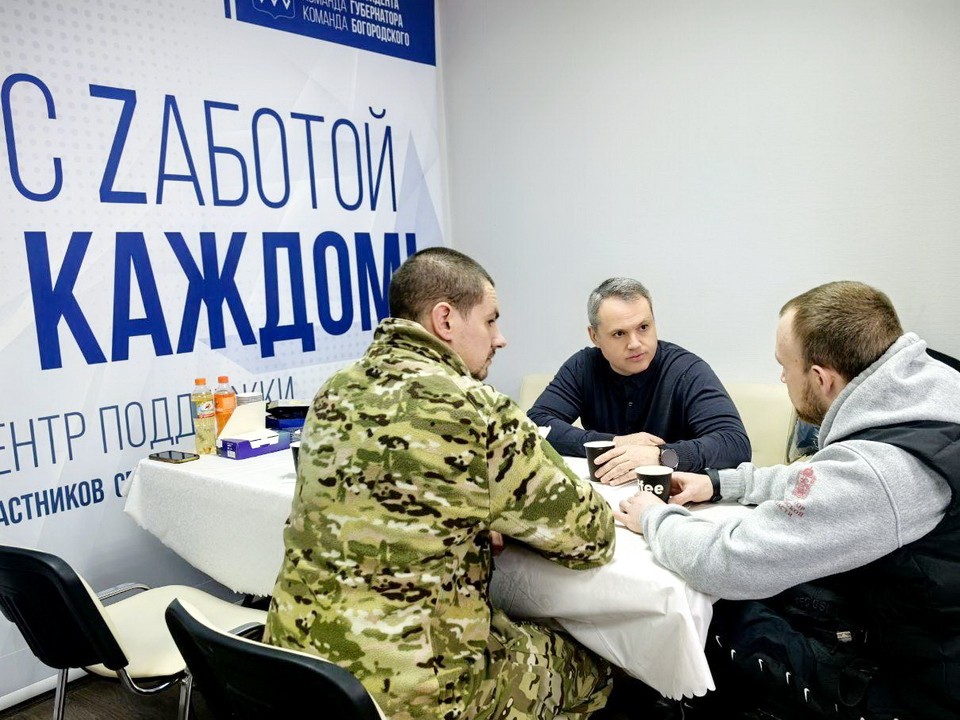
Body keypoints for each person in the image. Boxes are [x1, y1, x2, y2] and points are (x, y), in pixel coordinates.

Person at [264, 247, 616, 720]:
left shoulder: (334, 391)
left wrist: (472, 517)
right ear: (445, 320)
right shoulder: (474, 409)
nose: (500, 338)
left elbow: (386, 502)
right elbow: (592, 535)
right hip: (417, 696)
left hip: (296, 670)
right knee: (594, 663)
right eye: (490, 321)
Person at [614, 281, 960, 719]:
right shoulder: (932, 390)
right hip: (918, 618)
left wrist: (654, 517)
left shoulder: (882, 473)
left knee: (720, 617)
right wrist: (719, 484)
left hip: (922, 689)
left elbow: (728, 562)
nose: (781, 378)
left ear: (821, 377)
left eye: (785, 366)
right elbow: (827, 478)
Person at [528, 277, 751, 484]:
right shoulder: (583, 366)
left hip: (674, 497)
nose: (635, 343)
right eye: (619, 333)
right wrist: (615, 443)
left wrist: (661, 456)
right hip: (607, 493)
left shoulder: (687, 370)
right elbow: (536, 424)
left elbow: (735, 443)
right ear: (595, 336)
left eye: (643, 327)